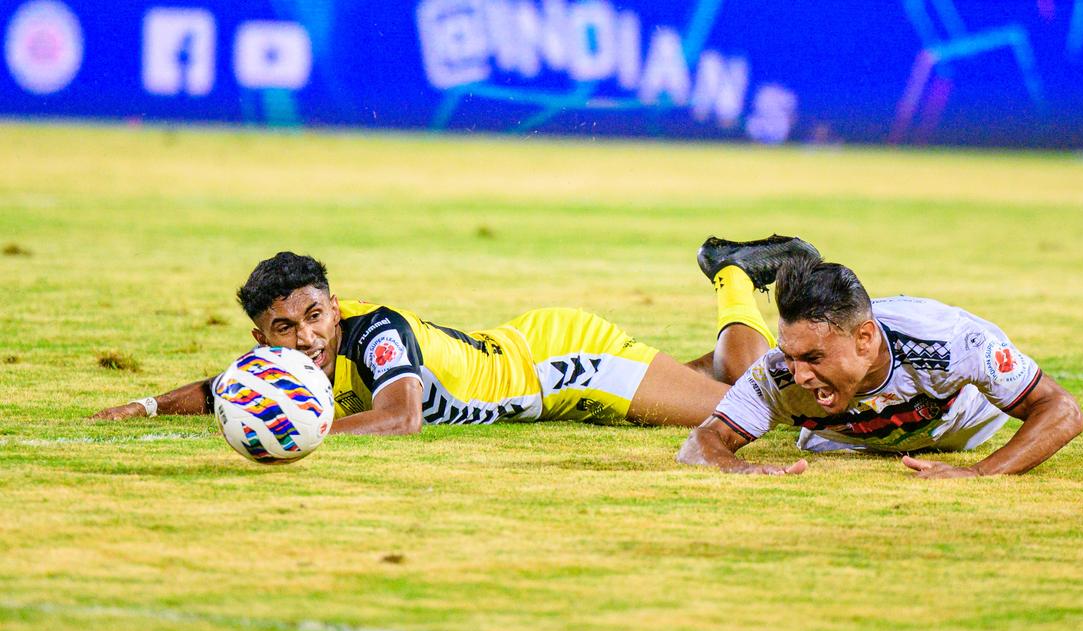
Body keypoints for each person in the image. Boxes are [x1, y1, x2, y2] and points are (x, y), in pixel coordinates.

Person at [92, 236, 821, 435]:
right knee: (715, 380)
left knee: (749, 403)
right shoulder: (280, 358)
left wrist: (309, 426)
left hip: (564, 363)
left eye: (315, 315)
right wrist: (147, 407)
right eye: (285, 327)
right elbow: (222, 387)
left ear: (334, 306)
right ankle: (731, 292)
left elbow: (401, 417)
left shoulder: (374, 332)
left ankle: (731, 272)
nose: (307, 337)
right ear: (262, 335)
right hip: (526, 356)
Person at [677, 257, 1083, 479]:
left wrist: (980, 473)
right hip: (852, 441)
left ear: (865, 339)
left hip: (963, 427)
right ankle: (734, 276)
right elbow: (701, 442)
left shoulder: (951, 342)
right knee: (746, 377)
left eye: (814, 358)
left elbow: (1061, 410)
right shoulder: (779, 375)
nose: (798, 374)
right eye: (790, 355)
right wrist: (739, 469)